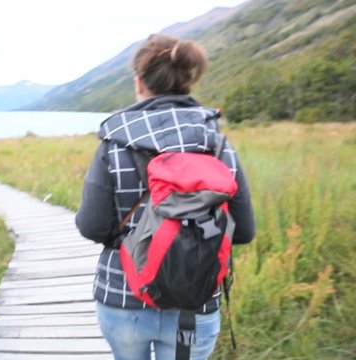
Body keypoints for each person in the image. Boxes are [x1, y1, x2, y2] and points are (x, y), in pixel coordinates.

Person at [75, 34, 256, 360]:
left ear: (140, 83)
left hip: (124, 295)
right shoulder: (217, 144)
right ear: (188, 80)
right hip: (196, 302)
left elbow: (91, 225)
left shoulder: (113, 144)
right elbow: (243, 231)